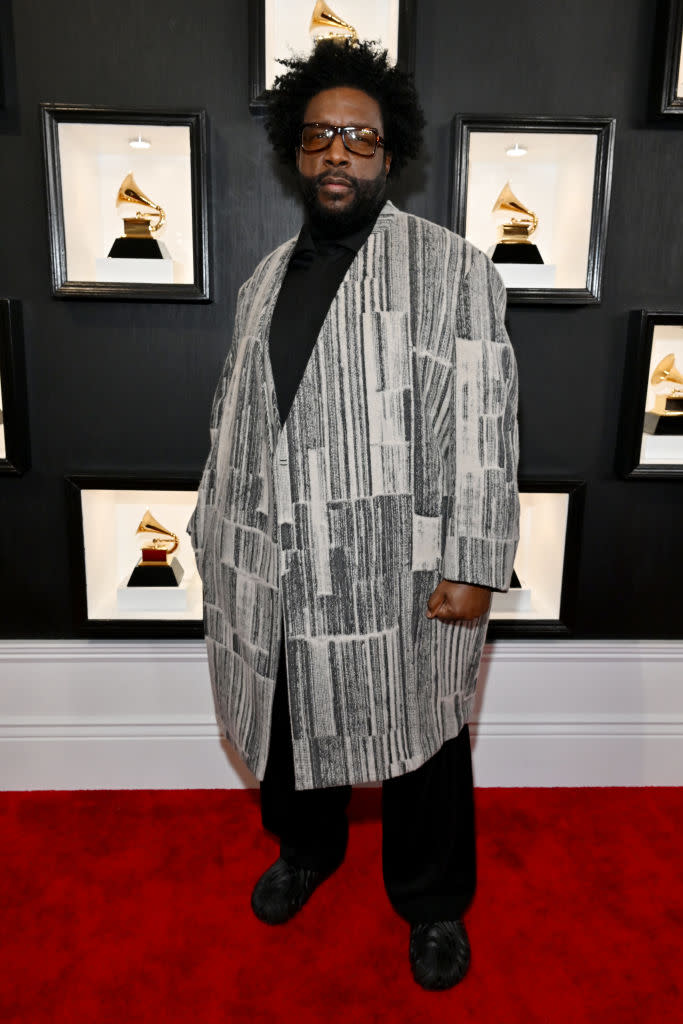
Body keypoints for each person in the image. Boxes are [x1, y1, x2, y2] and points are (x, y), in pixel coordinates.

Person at [188, 40, 519, 991]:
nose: (338, 153)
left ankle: (431, 904)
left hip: (398, 566)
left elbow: (486, 424)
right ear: (297, 152)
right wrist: (215, 529)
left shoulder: (450, 268)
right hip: (272, 558)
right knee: (290, 718)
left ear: (389, 154)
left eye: (360, 138)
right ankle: (306, 851)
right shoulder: (260, 280)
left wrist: (474, 559)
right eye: (321, 135)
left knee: (420, 738)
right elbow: (233, 418)